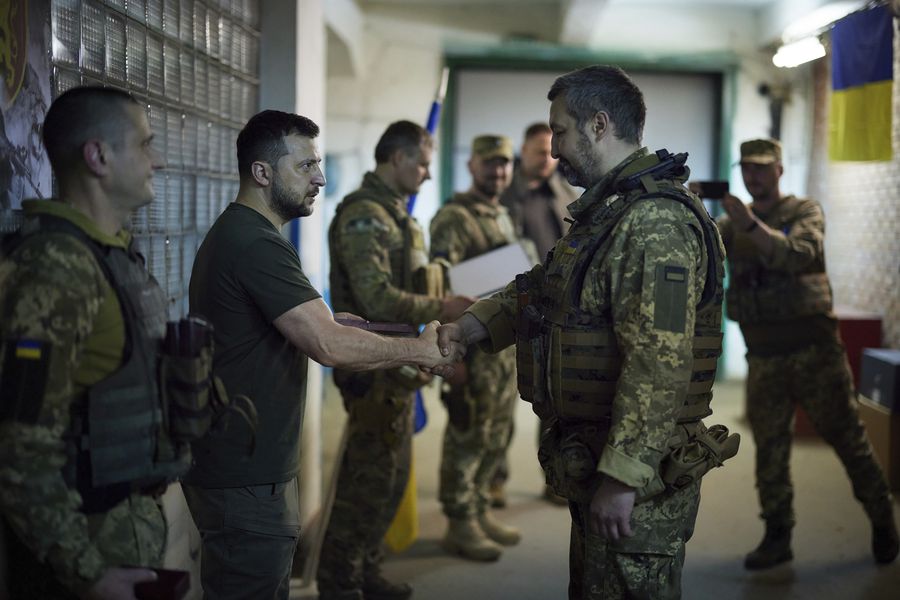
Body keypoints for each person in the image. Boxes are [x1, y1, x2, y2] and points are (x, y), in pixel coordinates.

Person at [435, 65, 738, 599]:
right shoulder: (608, 214)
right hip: (593, 454)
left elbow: (659, 364)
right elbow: (541, 286)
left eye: (560, 131)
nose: (553, 149)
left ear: (599, 125)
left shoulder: (652, 224)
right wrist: (471, 326)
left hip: (636, 480)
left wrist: (623, 477)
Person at [183, 111, 464, 600]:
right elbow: (328, 344)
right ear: (263, 173)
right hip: (246, 470)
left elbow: (318, 327)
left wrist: (344, 328)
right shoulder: (254, 243)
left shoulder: (253, 236)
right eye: (307, 165)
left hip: (249, 461)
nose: (320, 178)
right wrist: (418, 349)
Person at [0, 86, 173, 599]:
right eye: (145, 145)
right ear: (98, 157)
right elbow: (19, 445)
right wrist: (87, 572)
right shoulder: (57, 267)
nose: (157, 160)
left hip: (125, 531)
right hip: (86, 553)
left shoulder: (111, 256)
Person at [709, 138, 899, 570]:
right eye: (747, 168)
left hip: (814, 352)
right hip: (764, 356)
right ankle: (778, 535)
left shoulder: (804, 212)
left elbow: (800, 255)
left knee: (848, 438)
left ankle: (881, 516)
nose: (752, 176)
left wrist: (751, 226)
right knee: (769, 449)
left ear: (779, 169)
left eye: (761, 168)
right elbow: (699, 251)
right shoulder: (729, 224)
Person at [319, 120, 474, 600]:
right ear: (398, 158)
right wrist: (441, 309)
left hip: (398, 368)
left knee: (388, 481)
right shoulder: (366, 216)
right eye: (424, 162)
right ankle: (339, 583)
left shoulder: (396, 215)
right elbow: (376, 298)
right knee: (364, 486)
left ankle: (366, 570)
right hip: (373, 368)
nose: (428, 174)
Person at [430, 134, 523, 561]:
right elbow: (442, 285)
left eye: (504, 164)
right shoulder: (454, 217)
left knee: (496, 434)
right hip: (470, 344)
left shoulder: (502, 215)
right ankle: (460, 520)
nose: (498, 171)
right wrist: (453, 355)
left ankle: (481, 506)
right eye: (490, 163)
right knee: (468, 433)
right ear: (472, 165)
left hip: (500, 347)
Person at [497, 121, 580, 508]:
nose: (545, 158)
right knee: (498, 405)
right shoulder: (502, 197)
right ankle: (494, 479)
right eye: (536, 151)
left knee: (553, 400)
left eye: (550, 150)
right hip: (511, 307)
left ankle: (553, 478)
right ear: (522, 152)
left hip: (558, 314)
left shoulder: (566, 193)